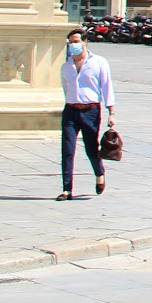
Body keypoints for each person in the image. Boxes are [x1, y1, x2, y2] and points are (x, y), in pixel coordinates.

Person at [59, 28, 114, 199]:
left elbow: (107, 87)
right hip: (71, 111)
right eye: (70, 42)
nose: (73, 45)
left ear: (84, 42)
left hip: (91, 111)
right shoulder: (66, 66)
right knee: (67, 150)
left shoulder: (98, 62)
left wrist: (111, 112)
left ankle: (99, 173)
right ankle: (67, 189)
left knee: (91, 149)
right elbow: (66, 88)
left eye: (76, 41)